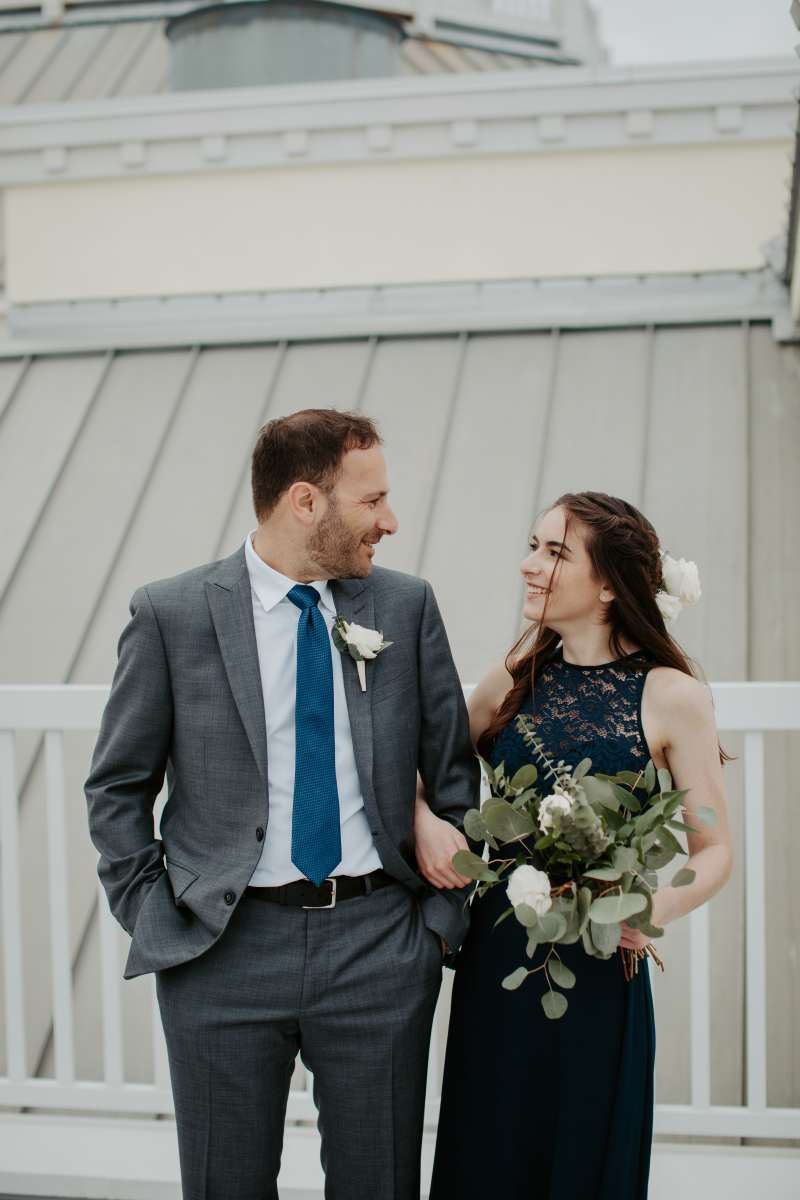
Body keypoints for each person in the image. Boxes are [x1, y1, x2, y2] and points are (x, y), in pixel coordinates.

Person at [85, 408, 479, 1200]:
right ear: (305, 501)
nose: (390, 522)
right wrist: (159, 919)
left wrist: (434, 929)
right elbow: (118, 788)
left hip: (379, 949)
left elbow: (452, 773)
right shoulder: (172, 614)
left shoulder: (404, 606)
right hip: (221, 953)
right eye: (372, 501)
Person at [414, 491, 733, 1200]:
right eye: (534, 546)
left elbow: (714, 850)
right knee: (490, 1150)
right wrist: (422, 818)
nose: (530, 565)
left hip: (600, 962)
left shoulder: (672, 696)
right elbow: (421, 768)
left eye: (555, 552)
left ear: (609, 584)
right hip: (500, 955)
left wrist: (651, 907)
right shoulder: (513, 676)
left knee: (584, 1156)